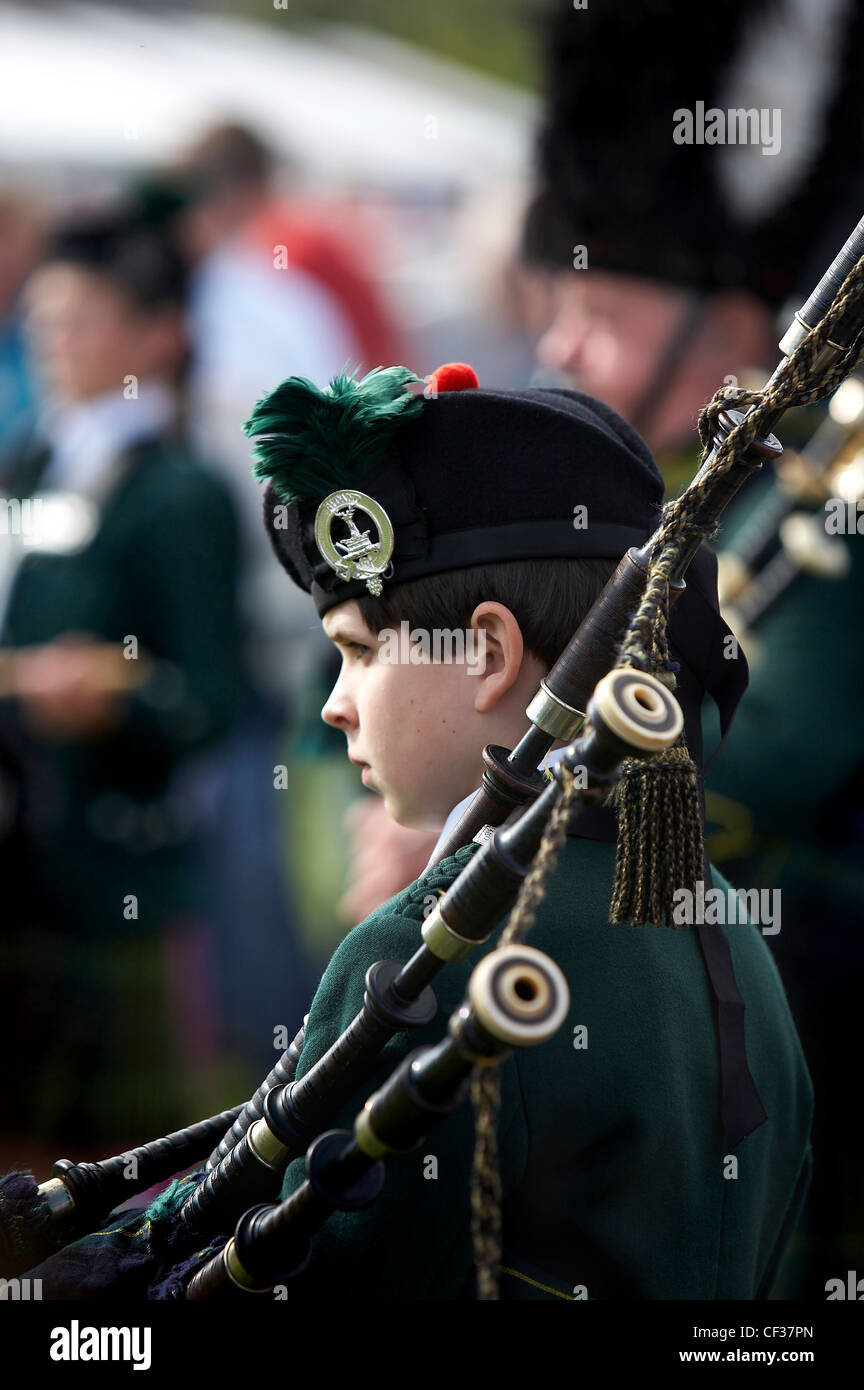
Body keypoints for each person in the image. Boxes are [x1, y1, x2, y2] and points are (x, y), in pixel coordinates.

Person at [522, 0, 864, 1294]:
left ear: (730, 331)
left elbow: (770, 746)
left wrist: (525, 809)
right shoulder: (777, 483)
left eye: (600, 310)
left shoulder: (839, 481)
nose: (561, 350)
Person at [0, 211, 242, 1147]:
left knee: (106, 1178)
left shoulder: (181, 494)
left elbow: (209, 700)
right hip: (17, 854)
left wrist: (114, 696)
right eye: (42, 319)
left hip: (115, 878)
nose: (52, 342)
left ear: (159, 334)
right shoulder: (27, 461)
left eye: (82, 319)